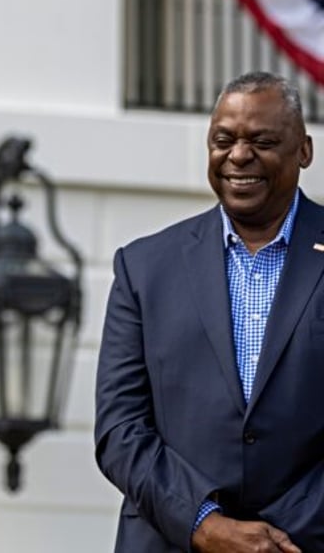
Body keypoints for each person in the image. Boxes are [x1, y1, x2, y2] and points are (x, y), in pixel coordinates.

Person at [94, 71, 324, 552]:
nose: (239, 155)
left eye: (261, 140)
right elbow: (121, 429)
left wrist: (277, 538)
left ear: (303, 150)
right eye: (223, 140)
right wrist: (205, 525)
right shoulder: (144, 267)